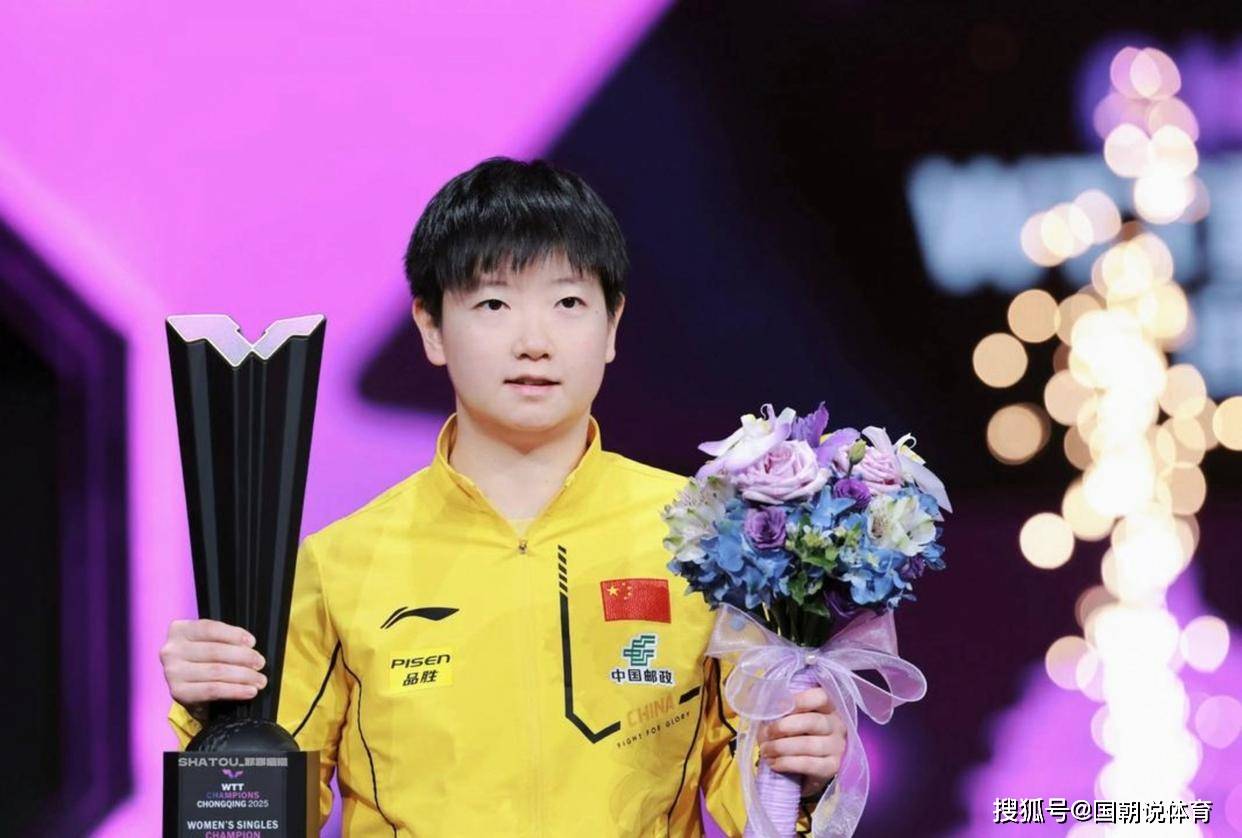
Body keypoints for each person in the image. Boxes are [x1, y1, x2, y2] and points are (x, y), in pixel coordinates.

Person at [161, 157, 847, 836]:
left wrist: (808, 776)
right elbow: (258, 821)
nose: (533, 342)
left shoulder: (706, 542)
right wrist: (214, 715)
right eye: (493, 304)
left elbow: (756, 799)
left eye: (568, 303)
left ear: (612, 327)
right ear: (431, 327)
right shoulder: (340, 563)